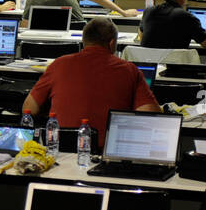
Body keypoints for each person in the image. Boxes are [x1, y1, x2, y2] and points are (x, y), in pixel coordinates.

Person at [23, 16, 159, 138]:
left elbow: (29, 109)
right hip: (107, 151)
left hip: (61, 149)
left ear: (84, 41)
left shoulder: (58, 64)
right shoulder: (129, 70)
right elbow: (149, 113)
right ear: (112, 43)